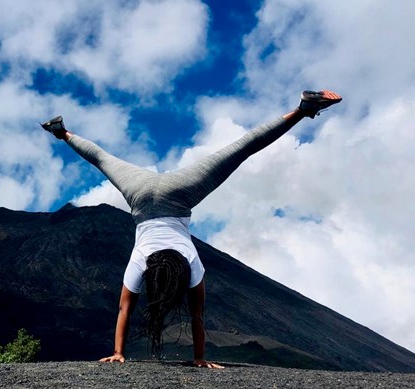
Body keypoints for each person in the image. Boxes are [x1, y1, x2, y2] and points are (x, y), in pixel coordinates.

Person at [41, 90, 342, 368]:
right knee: (239, 149)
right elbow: (129, 311)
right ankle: (303, 109)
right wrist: (195, 358)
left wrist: (124, 354)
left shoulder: (190, 262)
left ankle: (61, 131)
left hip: (170, 193)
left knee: (237, 149)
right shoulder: (141, 261)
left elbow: (188, 315)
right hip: (143, 196)